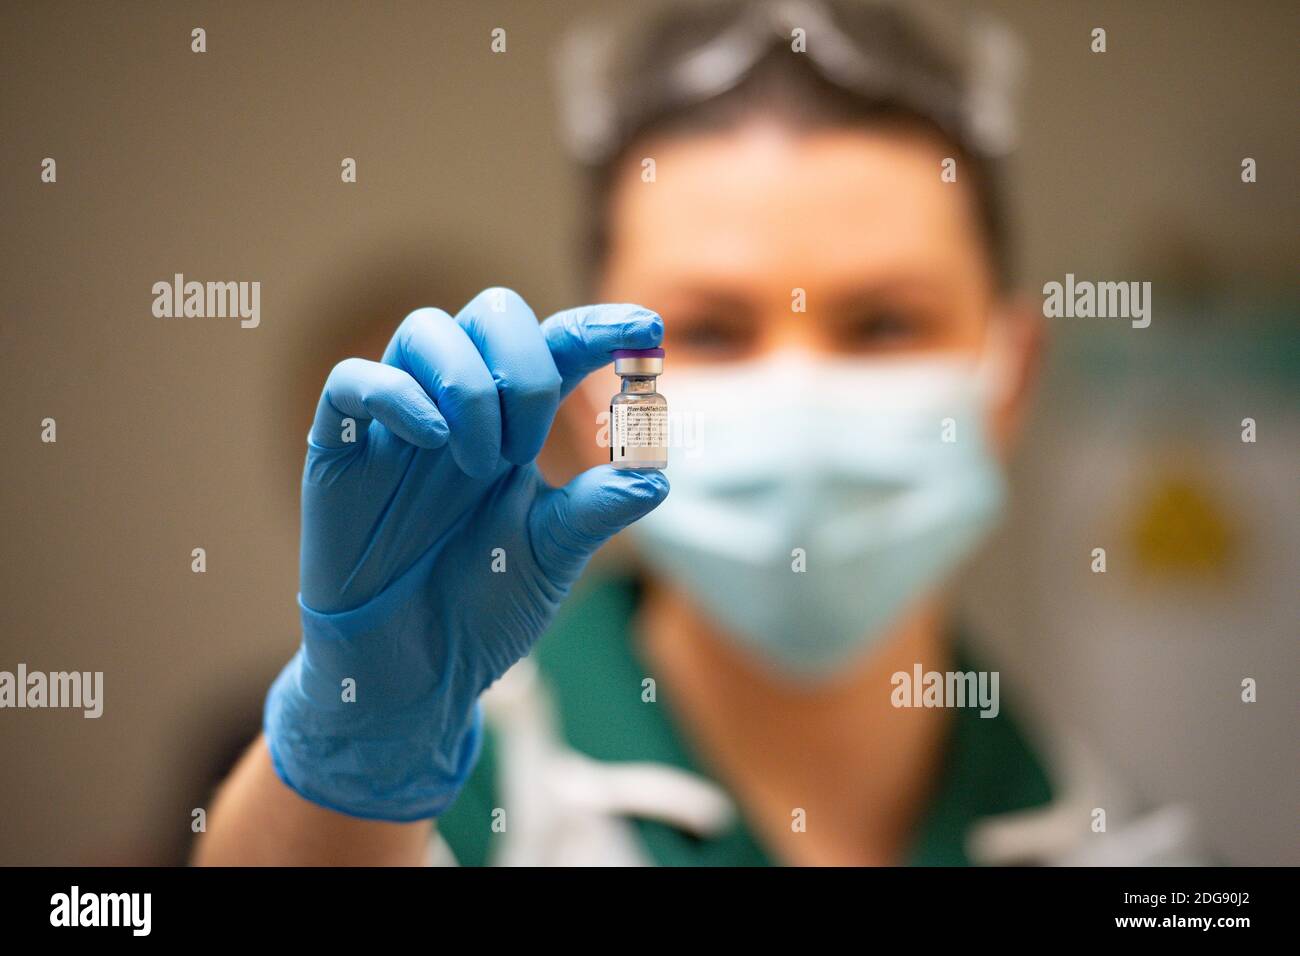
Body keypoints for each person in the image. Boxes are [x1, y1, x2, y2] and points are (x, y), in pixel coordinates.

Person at [195, 0, 1197, 867]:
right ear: (594, 402)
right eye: (711, 328)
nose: (800, 387)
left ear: (1009, 377)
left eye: (884, 321)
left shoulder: (1138, 851)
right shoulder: (449, 802)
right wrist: (352, 764)